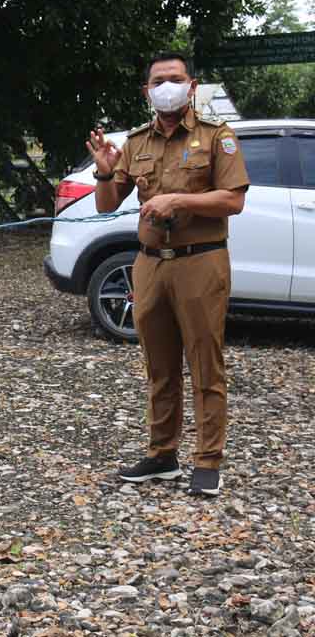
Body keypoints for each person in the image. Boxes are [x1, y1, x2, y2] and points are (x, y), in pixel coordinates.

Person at [87, 52, 249, 497]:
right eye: (159, 80)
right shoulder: (136, 143)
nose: (168, 86)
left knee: (204, 362)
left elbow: (233, 200)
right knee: (159, 365)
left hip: (201, 261)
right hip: (150, 264)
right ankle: (162, 454)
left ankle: (208, 460)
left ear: (191, 85)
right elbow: (106, 203)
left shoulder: (217, 137)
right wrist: (104, 173)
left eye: (176, 79)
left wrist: (177, 202)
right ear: (147, 91)